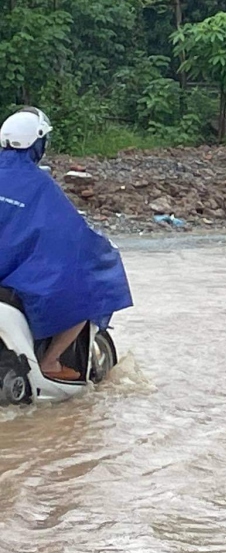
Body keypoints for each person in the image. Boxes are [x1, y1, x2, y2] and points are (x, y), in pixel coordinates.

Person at [0, 107, 133, 381]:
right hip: (17, 277)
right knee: (86, 295)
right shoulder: (40, 185)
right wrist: (98, 248)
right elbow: (68, 233)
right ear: (37, 143)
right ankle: (49, 362)